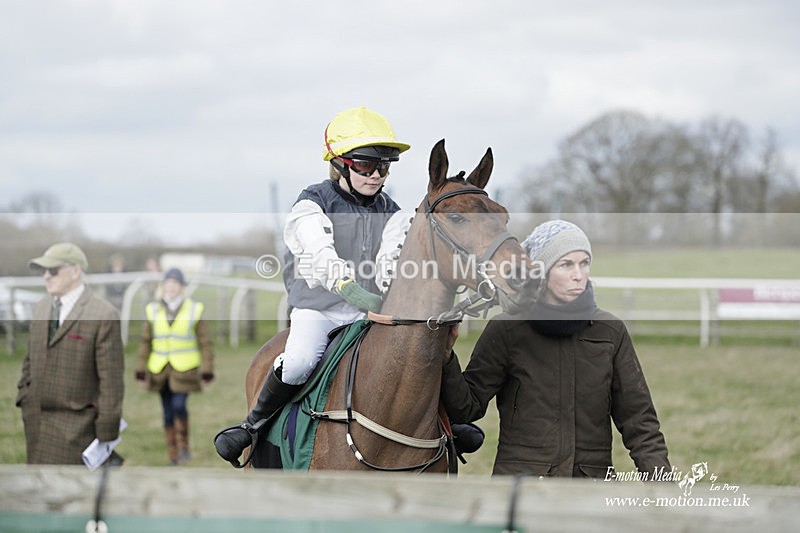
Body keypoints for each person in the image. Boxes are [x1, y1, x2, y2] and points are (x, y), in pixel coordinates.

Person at [214, 106, 411, 463]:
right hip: (317, 310)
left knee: (410, 355)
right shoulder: (310, 204)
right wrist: (352, 289)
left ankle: (444, 423)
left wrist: (383, 294)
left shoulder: (394, 212)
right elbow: (321, 258)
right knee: (301, 361)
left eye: (384, 166)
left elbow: (389, 262)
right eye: (366, 165)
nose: (377, 175)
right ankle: (252, 425)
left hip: (366, 312)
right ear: (339, 164)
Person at [441, 220, 670, 478]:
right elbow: (467, 407)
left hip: (590, 490)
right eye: (566, 264)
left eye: (584, 263)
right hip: (521, 488)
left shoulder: (610, 331)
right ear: (542, 272)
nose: (579, 274)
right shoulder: (507, 330)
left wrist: (663, 492)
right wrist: (447, 356)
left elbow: (641, 424)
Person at [16, 242, 125, 465]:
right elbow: (30, 358)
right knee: (37, 491)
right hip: (35, 422)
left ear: (76, 271)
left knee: (70, 495)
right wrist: (24, 396)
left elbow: (111, 382)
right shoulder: (41, 308)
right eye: (43, 271)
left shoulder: (102, 314)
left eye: (53, 270)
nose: (46, 276)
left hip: (77, 429)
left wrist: (106, 433)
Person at [135, 267, 215, 465]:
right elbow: (146, 341)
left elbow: (205, 342)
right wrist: (140, 368)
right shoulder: (152, 310)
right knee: (167, 411)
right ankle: (173, 451)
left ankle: (184, 445)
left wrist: (207, 369)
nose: (171, 287)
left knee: (179, 406)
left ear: (181, 287)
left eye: (175, 284)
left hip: (185, 370)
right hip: (159, 370)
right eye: (168, 283)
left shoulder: (194, 310)